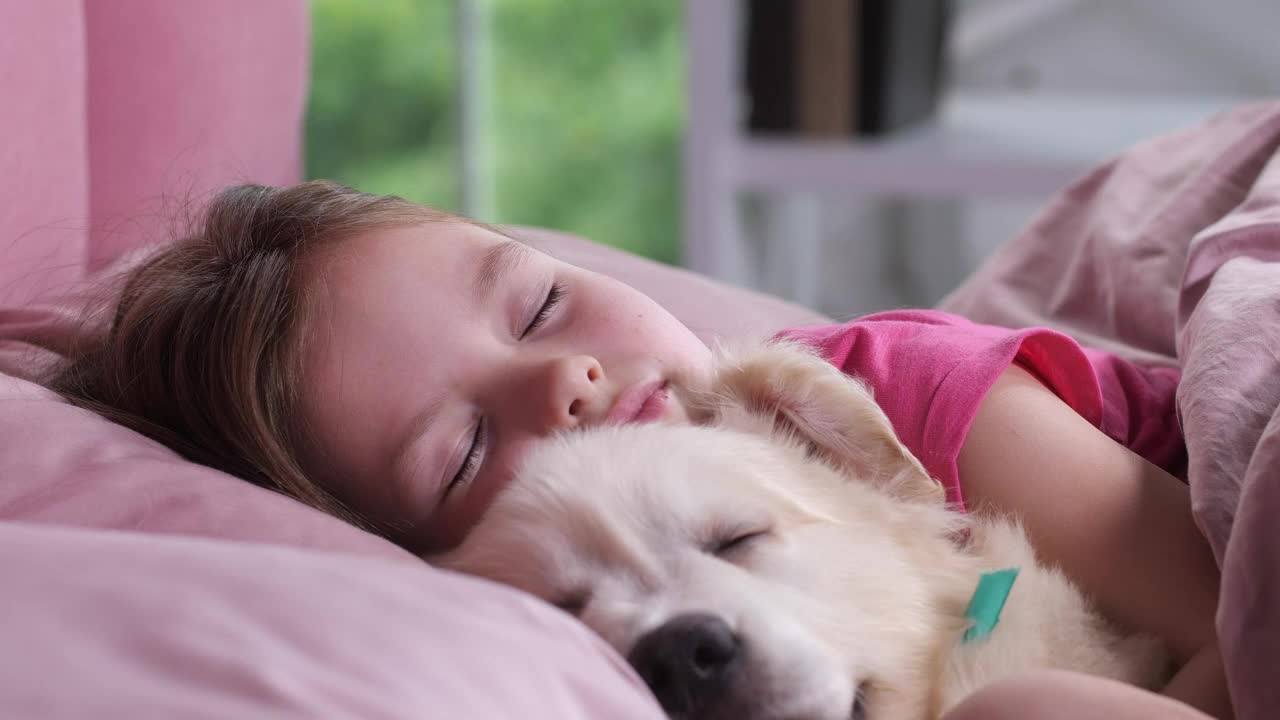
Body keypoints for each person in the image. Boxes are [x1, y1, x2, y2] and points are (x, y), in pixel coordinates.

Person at [49, 181, 1228, 719]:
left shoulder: (901, 396)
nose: (561, 385)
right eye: (461, 450)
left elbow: (1243, 613)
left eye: (538, 308)